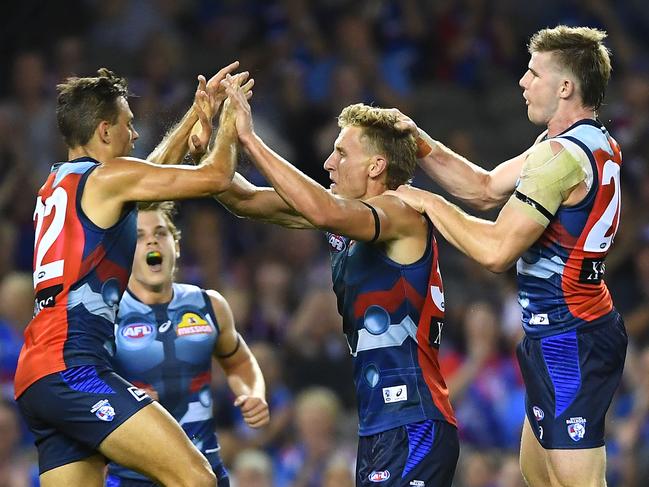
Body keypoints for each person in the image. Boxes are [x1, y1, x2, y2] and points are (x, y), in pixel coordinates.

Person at [389, 25, 627, 486]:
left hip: (570, 337)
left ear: (564, 87)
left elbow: (496, 250)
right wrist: (419, 142)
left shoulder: (560, 157)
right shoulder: (584, 143)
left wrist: (429, 203)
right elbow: (483, 189)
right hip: (557, 332)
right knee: (537, 474)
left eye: (534, 72)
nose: (522, 81)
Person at [13, 62, 248, 487]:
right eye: (129, 125)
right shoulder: (107, 178)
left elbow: (151, 176)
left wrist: (195, 117)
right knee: (198, 478)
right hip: (74, 367)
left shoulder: (58, 185)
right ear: (105, 131)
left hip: (38, 374)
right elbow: (215, 176)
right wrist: (232, 115)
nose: (135, 135)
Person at [215, 80, 459, 486]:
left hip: (414, 420)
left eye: (341, 153)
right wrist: (221, 131)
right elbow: (241, 198)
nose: (329, 163)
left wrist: (251, 139)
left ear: (376, 165)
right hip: (379, 426)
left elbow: (324, 210)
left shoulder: (401, 212)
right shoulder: (347, 219)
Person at [105, 202, 268, 487]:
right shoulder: (107, 315)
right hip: (134, 476)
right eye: (140, 236)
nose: (152, 240)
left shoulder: (209, 305)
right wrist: (125, 400)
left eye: (160, 233)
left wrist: (253, 393)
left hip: (205, 469)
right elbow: (83, 388)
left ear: (176, 246)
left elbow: (239, 361)